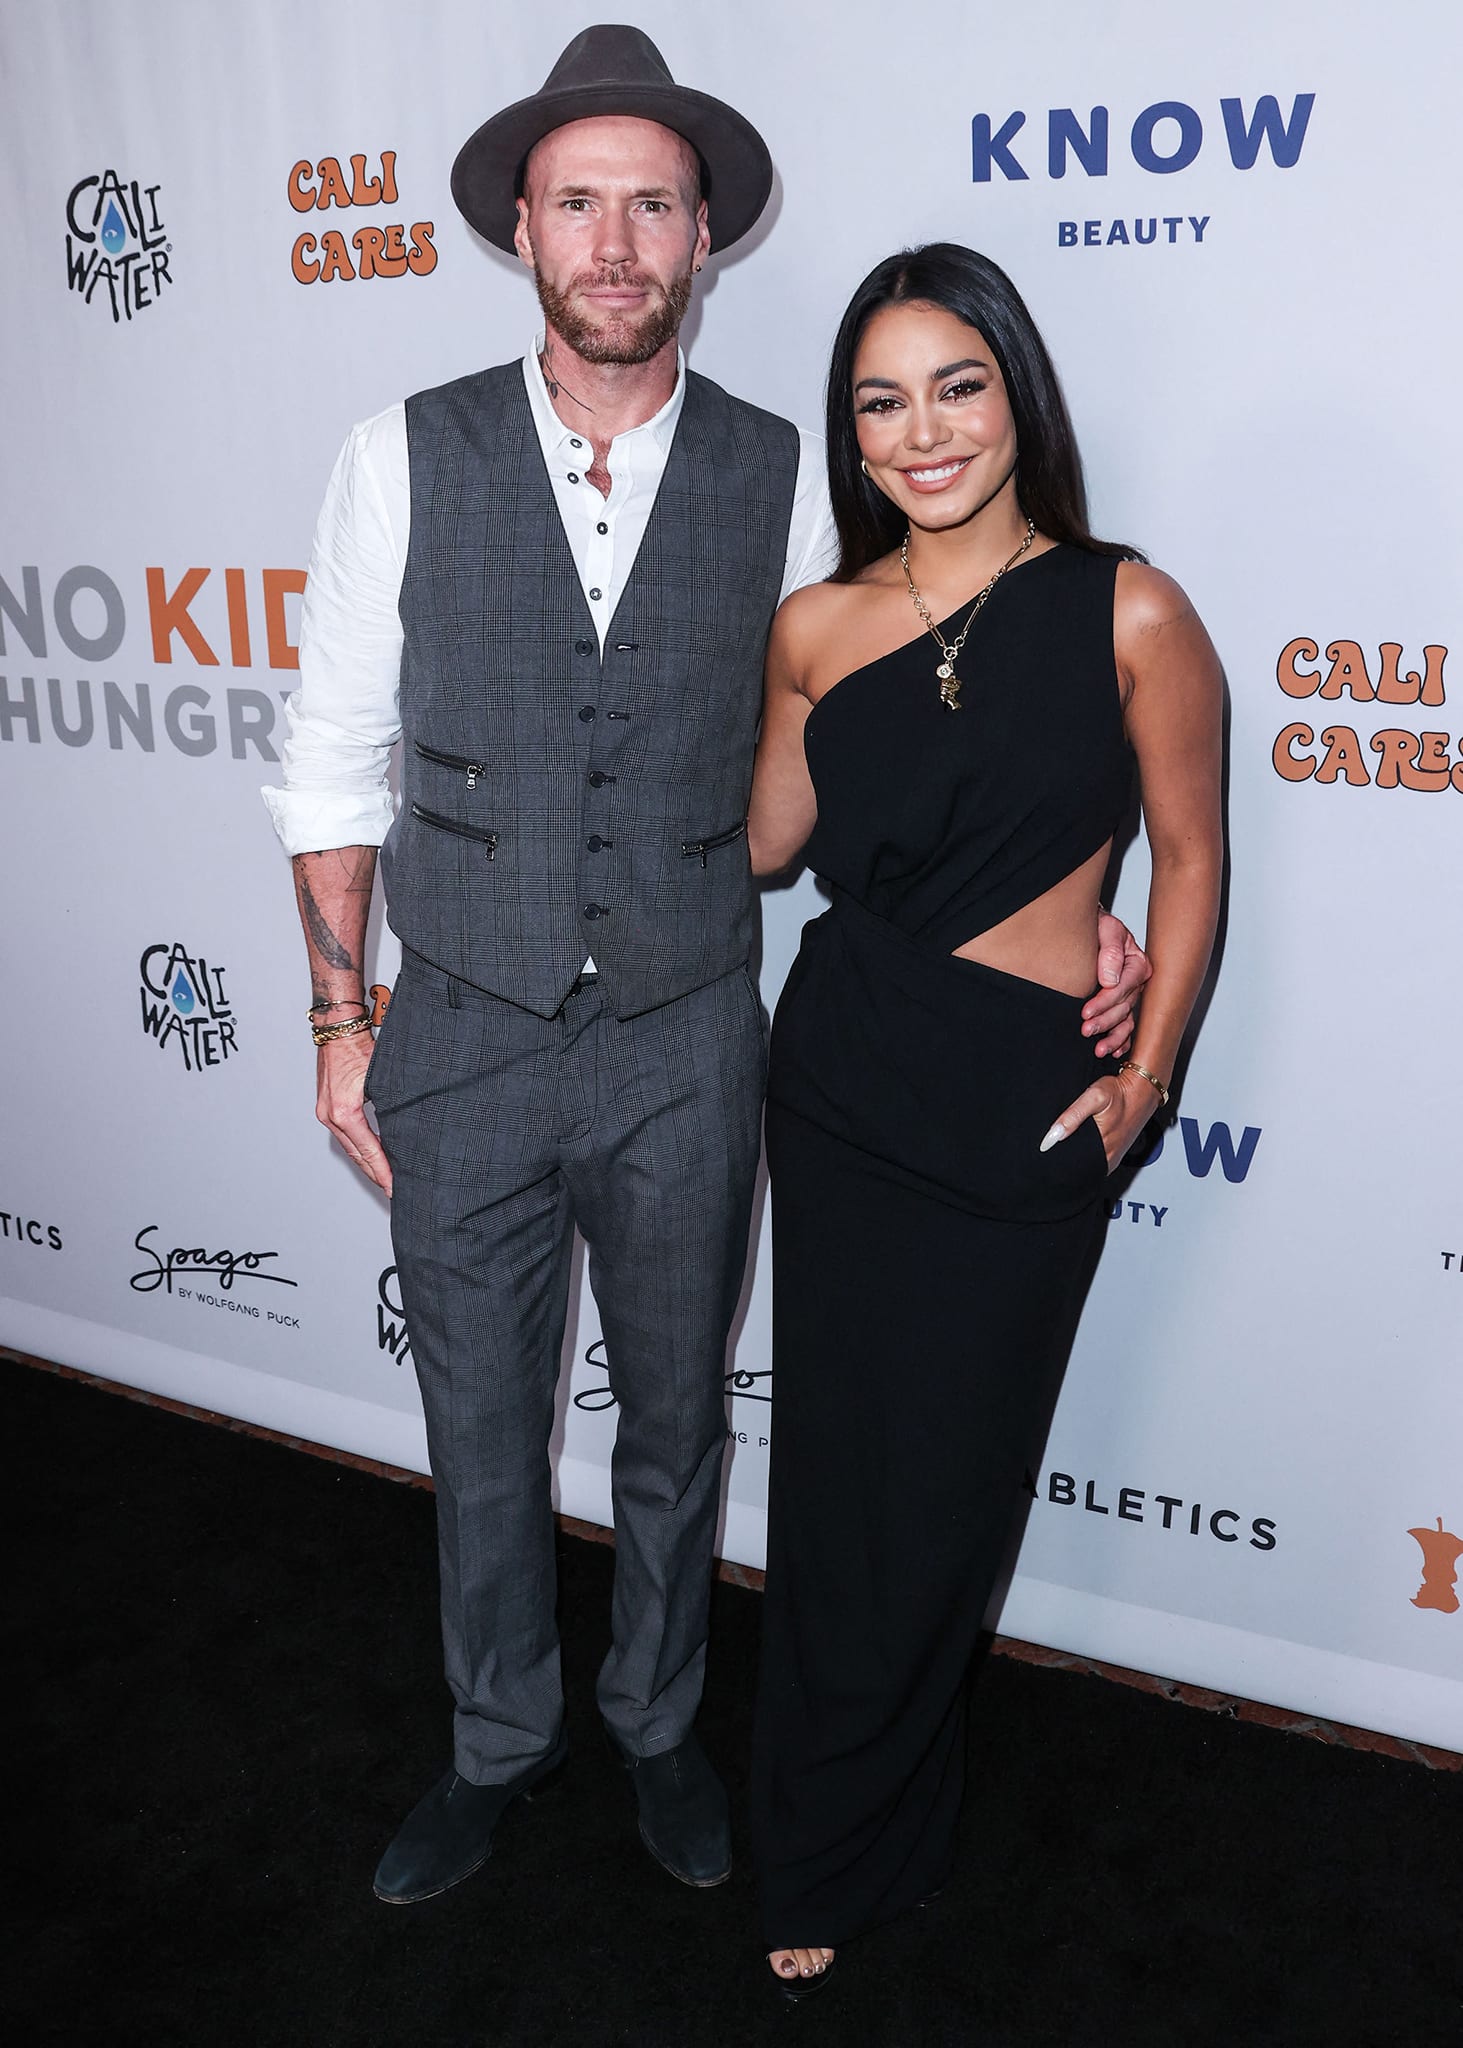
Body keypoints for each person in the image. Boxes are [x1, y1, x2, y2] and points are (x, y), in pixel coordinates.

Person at [262, 25, 1149, 1910]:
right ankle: (499, 1738)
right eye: (578, 200)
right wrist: (344, 1016)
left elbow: (910, 726)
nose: (613, 239)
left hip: (687, 1039)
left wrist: (1074, 897)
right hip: (462, 1034)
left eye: (650, 205)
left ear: (703, 240)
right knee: (481, 1429)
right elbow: (332, 755)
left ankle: (660, 1721)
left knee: (674, 1422)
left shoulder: (789, 479)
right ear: (522, 225)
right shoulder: (395, 455)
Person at [746, 243, 1224, 1998]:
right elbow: (767, 847)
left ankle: (887, 1800)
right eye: (882, 399)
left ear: (1016, 393)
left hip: (1025, 1104)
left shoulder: (1133, 609)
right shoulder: (813, 626)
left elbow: (1195, 857)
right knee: (841, 1479)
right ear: (850, 435)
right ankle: (822, 1838)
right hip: (848, 1074)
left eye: (957, 384)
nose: (922, 428)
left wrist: (1144, 1077)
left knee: (947, 1490)